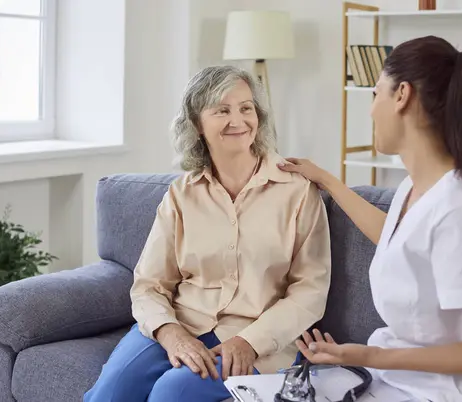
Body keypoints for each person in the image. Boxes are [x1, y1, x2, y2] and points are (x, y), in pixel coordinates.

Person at [279, 35, 462, 401]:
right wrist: (330, 182)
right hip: (404, 383)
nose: (370, 110)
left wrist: (370, 355)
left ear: (402, 95)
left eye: (375, 94)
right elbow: (400, 242)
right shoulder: (416, 190)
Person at [83, 65, 332, 402]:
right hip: (182, 323)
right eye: (222, 110)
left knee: (172, 392)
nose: (238, 120)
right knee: (110, 394)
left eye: (246, 108)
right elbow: (149, 284)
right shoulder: (181, 194)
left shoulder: (298, 191)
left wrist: (249, 342)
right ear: (197, 124)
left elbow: (310, 292)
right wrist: (170, 334)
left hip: (256, 337)